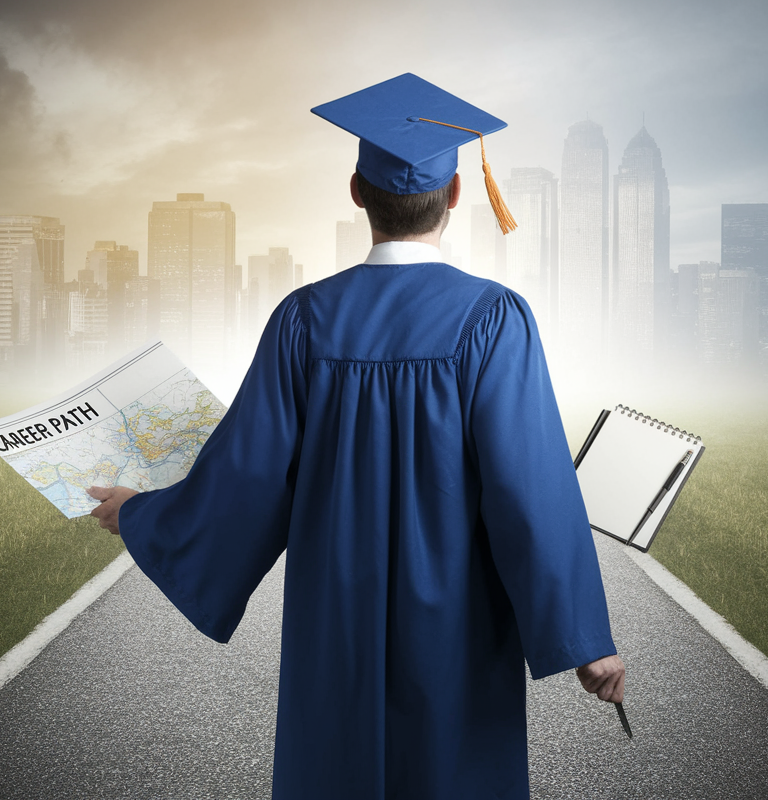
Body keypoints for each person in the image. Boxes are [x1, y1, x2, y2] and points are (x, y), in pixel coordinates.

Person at [88, 73, 624, 800]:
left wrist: (140, 512)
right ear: (458, 198)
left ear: (356, 191)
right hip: (458, 634)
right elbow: (529, 488)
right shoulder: (495, 319)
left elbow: (247, 479)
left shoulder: (303, 320)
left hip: (333, 627)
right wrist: (584, 642)